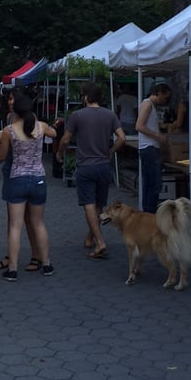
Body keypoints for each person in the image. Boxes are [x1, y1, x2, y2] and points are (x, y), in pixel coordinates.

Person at [0, 94, 57, 280]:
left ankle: (13, 268)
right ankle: (47, 264)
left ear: (15, 111)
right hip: (39, 179)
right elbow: (54, 134)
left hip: (17, 179)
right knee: (39, 224)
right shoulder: (41, 126)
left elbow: (2, 156)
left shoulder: (9, 130)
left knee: (15, 226)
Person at [56, 82, 125, 257]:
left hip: (86, 166)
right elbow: (122, 138)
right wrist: (111, 151)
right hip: (103, 165)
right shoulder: (110, 115)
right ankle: (90, 237)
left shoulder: (77, 115)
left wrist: (60, 152)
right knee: (99, 205)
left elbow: (65, 139)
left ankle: (100, 242)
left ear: (86, 96)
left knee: (88, 204)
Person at [0, 88, 42, 273]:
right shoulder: (10, 118)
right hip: (12, 170)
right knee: (14, 218)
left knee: (29, 219)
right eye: (9, 99)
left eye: (13, 99)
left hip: (21, 171)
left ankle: (36, 256)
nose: (10, 102)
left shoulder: (30, 118)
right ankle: (11, 256)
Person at [135, 83, 172, 213]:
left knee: (150, 183)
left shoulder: (149, 105)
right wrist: (158, 136)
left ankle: (148, 212)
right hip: (149, 148)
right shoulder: (147, 104)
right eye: (165, 97)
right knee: (154, 184)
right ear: (159, 93)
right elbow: (139, 126)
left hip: (150, 148)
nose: (165, 100)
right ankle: (150, 213)